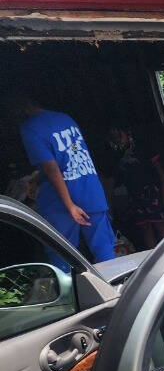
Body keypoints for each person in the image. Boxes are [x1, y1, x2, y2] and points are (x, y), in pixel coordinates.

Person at [4, 95, 115, 266]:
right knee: (104, 248)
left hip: (61, 202)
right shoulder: (65, 119)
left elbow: (51, 168)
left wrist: (70, 205)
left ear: (18, 110)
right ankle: (116, 289)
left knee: (61, 256)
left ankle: (67, 292)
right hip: (91, 190)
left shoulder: (30, 128)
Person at [106, 127, 164, 251]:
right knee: (145, 228)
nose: (117, 140)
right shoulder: (117, 154)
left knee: (159, 224)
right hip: (134, 195)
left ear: (127, 133)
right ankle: (152, 256)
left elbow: (158, 168)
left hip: (151, 191)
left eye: (119, 136)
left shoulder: (142, 147)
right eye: (113, 138)